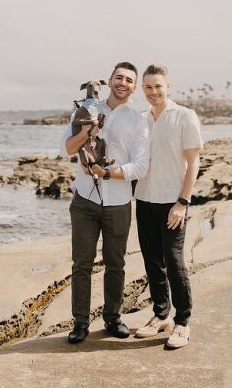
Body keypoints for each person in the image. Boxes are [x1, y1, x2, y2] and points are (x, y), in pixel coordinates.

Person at [61, 61, 150, 344]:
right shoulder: (84, 110)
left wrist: (108, 173)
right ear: (108, 81)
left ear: (134, 88)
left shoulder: (137, 121)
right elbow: (67, 148)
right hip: (84, 200)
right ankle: (80, 323)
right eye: (119, 77)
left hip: (119, 202)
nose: (123, 83)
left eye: (129, 80)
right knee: (81, 264)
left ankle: (112, 318)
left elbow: (141, 166)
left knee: (116, 264)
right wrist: (88, 131)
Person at [133, 63, 202, 349]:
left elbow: (194, 163)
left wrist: (182, 202)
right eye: (148, 87)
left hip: (173, 203)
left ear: (168, 86)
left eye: (158, 86)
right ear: (142, 89)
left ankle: (182, 323)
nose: (153, 92)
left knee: (173, 261)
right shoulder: (141, 120)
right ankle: (161, 315)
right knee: (152, 261)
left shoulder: (184, 116)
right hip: (144, 199)